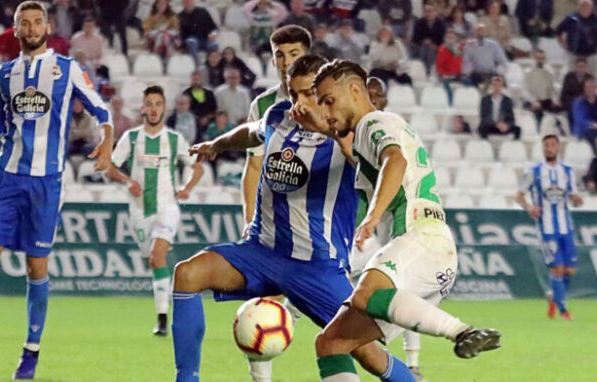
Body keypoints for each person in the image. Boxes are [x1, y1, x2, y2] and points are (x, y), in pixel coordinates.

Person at [179, 54, 413, 382]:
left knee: (364, 352)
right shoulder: (279, 115)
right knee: (187, 274)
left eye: (308, 94)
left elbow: (370, 166)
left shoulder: (348, 130)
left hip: (316, 266)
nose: (298, 103)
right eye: (293, 94)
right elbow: (252, 132)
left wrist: (325, 129)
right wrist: (217, 145)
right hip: (262, 251)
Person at [0, 2, 113, 378]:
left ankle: (31, 352)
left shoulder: (67, 70)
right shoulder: (5, 74)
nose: (32, 27)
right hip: (7, 177)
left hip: (46, 181)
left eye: (37, 21)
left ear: (48, 26)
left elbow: (102, 109)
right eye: (25, 23)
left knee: (36, 265)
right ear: (16, 29)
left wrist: (108, 142)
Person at [310, 59, 501, 381]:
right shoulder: (365, 138)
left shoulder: (374, 122)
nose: (326, 112)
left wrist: (371, 217)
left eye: (329, 100)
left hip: (420, 238)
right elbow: (361, 158)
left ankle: (462, 331)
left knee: (365, 294)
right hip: (426, 255)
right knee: (331, 343)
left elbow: (394, 160)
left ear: (355, 90)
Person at [239, 25, 312, 382]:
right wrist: (249, 221)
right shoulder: (263, 105)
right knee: (264, 308)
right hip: (274, 224)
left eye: (294, 54)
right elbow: (253, 167)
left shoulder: (325, 98)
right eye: (280, 55)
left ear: (308, 56)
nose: (286, 63)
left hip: (318, 222)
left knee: (346, 312)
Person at [106, 85, 203, 337]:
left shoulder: (174, 139)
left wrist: (186, 188)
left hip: (167, 207)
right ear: (142, 108)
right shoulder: (131, 138)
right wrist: (128, 181)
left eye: (158, 104)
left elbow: (197, 167)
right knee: (153, 260)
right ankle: (164, 299)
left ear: (164, 108)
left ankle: (162, 318)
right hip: (139, 211)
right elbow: (109, 167)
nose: (153, 109)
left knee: (157, 257)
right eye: (149, 104)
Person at [360, 75, 426, 379]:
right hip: (379, 218)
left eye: (378, 94)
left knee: (404, 288)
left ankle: (409, 363)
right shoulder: (363, 130)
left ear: (384, 100)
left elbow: (397, 163)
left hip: (400, 212)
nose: (374, 98)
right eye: (368, 93)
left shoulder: (386, 126)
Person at [516, 134, 583, 320]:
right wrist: (529, 207)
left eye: (553, 145)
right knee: (557, 269)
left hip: (566, 227)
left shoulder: (568, 172)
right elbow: (519, 195)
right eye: (546, 145)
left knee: (570, 270)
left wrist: (577, 200)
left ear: (558, 147)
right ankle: (563, 310)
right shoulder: (535, 172)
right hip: (547, 228)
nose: (549, 148)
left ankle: (554, 297)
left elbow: (574, 198)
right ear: (543, 148)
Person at [556, 0, 597, 75]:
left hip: (591, 55)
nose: (585, 8)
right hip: (573, 54)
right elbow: (558, 31)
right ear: (578, 7)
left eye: (587, 6)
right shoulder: (571, 18)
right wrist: (563, 44)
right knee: (571, 77)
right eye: (582, 5)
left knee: (592, 77)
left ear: (591, 7)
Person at [523, 49, 561, 126]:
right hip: (532, 101)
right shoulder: (528, 72)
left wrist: (554, 100)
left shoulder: (549, 72)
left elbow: (552, 89)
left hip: (545, 100)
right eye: (538, 58)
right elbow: (525, 91)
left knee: (557, 112)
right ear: (534, 58)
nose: (540, 60)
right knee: (537, 111)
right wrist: (534, 101)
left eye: (542, 58)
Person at [179, 0, 219, 65]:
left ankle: (213, 66)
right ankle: (196, 67)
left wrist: (213, 34)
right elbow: (181, 35)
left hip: (205, 39)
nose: (188, 4)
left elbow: (214, 27)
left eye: (190, 2)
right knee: (192, 42)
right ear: (183, 3)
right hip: (190, 42)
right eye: (186, 2)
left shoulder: (203, 12)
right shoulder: (180, 16)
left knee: (214, 44)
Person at [411, 2, 447, 74]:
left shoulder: (441, 24)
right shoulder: (419, 23)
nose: (427, 13)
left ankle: (428, 72)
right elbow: (415, 39)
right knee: (424, 49)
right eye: (426, 11)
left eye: (430, 11)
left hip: (436, 47)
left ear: (435, 12)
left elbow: (443, 39)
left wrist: (435, 45)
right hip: (421, 46)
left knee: (430, 50)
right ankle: (423, 72)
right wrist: (424, 41)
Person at [436, 29, 464, 104]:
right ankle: (450, 104)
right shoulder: (442, 50)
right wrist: (444, 74)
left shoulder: (460, 48)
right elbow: (439, 67)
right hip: (446, 76)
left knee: (469, 83)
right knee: (446, 86)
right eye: (448, 38)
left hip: (458, 75)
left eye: (452, 38)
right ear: (445, 39)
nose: (450, 40)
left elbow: (461, 62)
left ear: (455, 39)